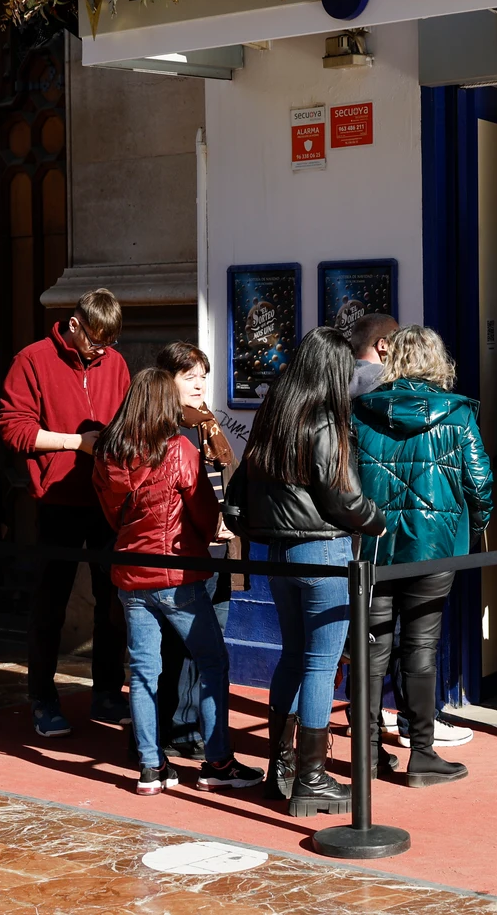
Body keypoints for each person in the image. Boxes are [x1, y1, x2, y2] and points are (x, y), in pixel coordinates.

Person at [228, 326, 387, 818]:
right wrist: (376, 520)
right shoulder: (324, 421)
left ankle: (282, 769)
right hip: (323, 553)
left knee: (293, 658)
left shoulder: (274, 416)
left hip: (278, 555)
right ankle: (311, 778)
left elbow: (238, 493)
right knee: (320, 664)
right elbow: (344, 498)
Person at [95, 369, 265, 795]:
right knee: (212, 662)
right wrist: (209, 533)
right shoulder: (179, 449)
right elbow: (204, 512)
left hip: (131, 573)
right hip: (176, 574)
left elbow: (112, 514)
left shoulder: (110, 453)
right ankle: (218, 762)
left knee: (143, 671)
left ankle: (151, 767)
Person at [351, 326, 492, 787]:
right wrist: (471, 530)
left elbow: (344, 479)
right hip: (434, 546)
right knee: (421, 647)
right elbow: (480, 484)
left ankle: (368, 753)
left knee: (372, 649)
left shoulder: (360, 411)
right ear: (438, 361)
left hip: (373, 545)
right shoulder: (457, 414)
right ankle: (423, 755)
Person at [0, 288, 132, 737]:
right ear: (74, 325)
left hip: (109, 499)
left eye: (109, 343)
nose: (102, 351)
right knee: (50, 602)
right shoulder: (32, 360)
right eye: (95, 340)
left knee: (113, 601)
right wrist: (77, 443)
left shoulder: (115, 363)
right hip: (57, 500)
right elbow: (13, 430)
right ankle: (42, 697)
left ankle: (108, 692)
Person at [153, 342, 238, 762]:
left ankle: (196, 728)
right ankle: (175, 728)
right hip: (184, 552)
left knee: (208, 648)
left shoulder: (206, 424)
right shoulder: (164, 429)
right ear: (166, 380)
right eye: (189, 377)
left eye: (203, 376)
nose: (200, 384)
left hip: (218, 550)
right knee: (179, 647)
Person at [347, 314, 399, 397]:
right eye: (398, 340)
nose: (401, 347)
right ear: (383, 345)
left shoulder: (340, 379)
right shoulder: (390, 381)